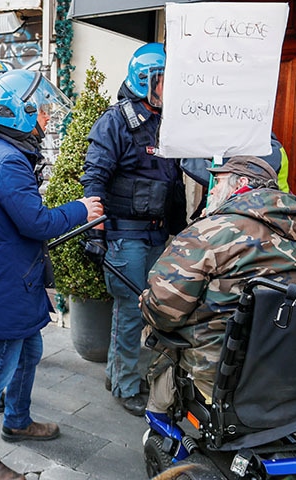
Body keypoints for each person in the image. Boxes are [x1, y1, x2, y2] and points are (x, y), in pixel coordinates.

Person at [0, 69, 103, 480]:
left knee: (29, 352)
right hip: (5, 285)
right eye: (40, 111)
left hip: (9, 281)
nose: (45, 118)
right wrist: (82, 209)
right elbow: (36, 222)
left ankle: (18, 421)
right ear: (19, 115)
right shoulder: (7, 161)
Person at [140, 155, 296, 406]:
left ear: (240, 183)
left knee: (157, 335)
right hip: (290, 366)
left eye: (217, 182)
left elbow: (164, 310)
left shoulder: (210, 231)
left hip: (222, 371)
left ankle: (160, 421)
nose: (213, 189)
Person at [80, 42, 187, 417]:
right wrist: (95, 233)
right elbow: (93, 179)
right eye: (163, 80)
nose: (168, 88)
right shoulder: (115, 122)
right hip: (125, 236)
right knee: (130, 312)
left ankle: (116, 373)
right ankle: (126, 385)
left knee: (142, 311)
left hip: (156, 233)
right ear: (145, 81)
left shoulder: (166, 121)